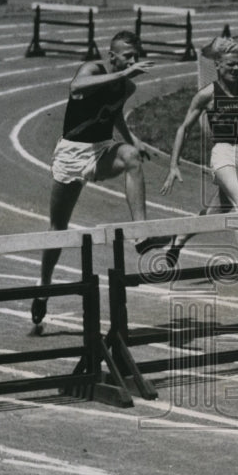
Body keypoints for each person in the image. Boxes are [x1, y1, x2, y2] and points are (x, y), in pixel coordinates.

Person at [34, 31, 165, 325]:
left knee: (131, 157)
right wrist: (124, 73)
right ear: (112, 56)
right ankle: (43, 287)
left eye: (135, 56)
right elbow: (76, 87)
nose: (132, 61)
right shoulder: (93, 69)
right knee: (58, 228)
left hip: (101, 149)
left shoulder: (127, 86)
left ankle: (141, 234)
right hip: (71, 152)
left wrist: (133, 138)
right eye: (127, 56)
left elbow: (114, 113)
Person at [160, 36, 238, 297]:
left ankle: (179, 239)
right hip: (222, 155)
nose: (235, 69)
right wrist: (174, 164)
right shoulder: (207, 95)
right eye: (230, 65)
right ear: (218, 66)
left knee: (213, 214)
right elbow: (183, 128)